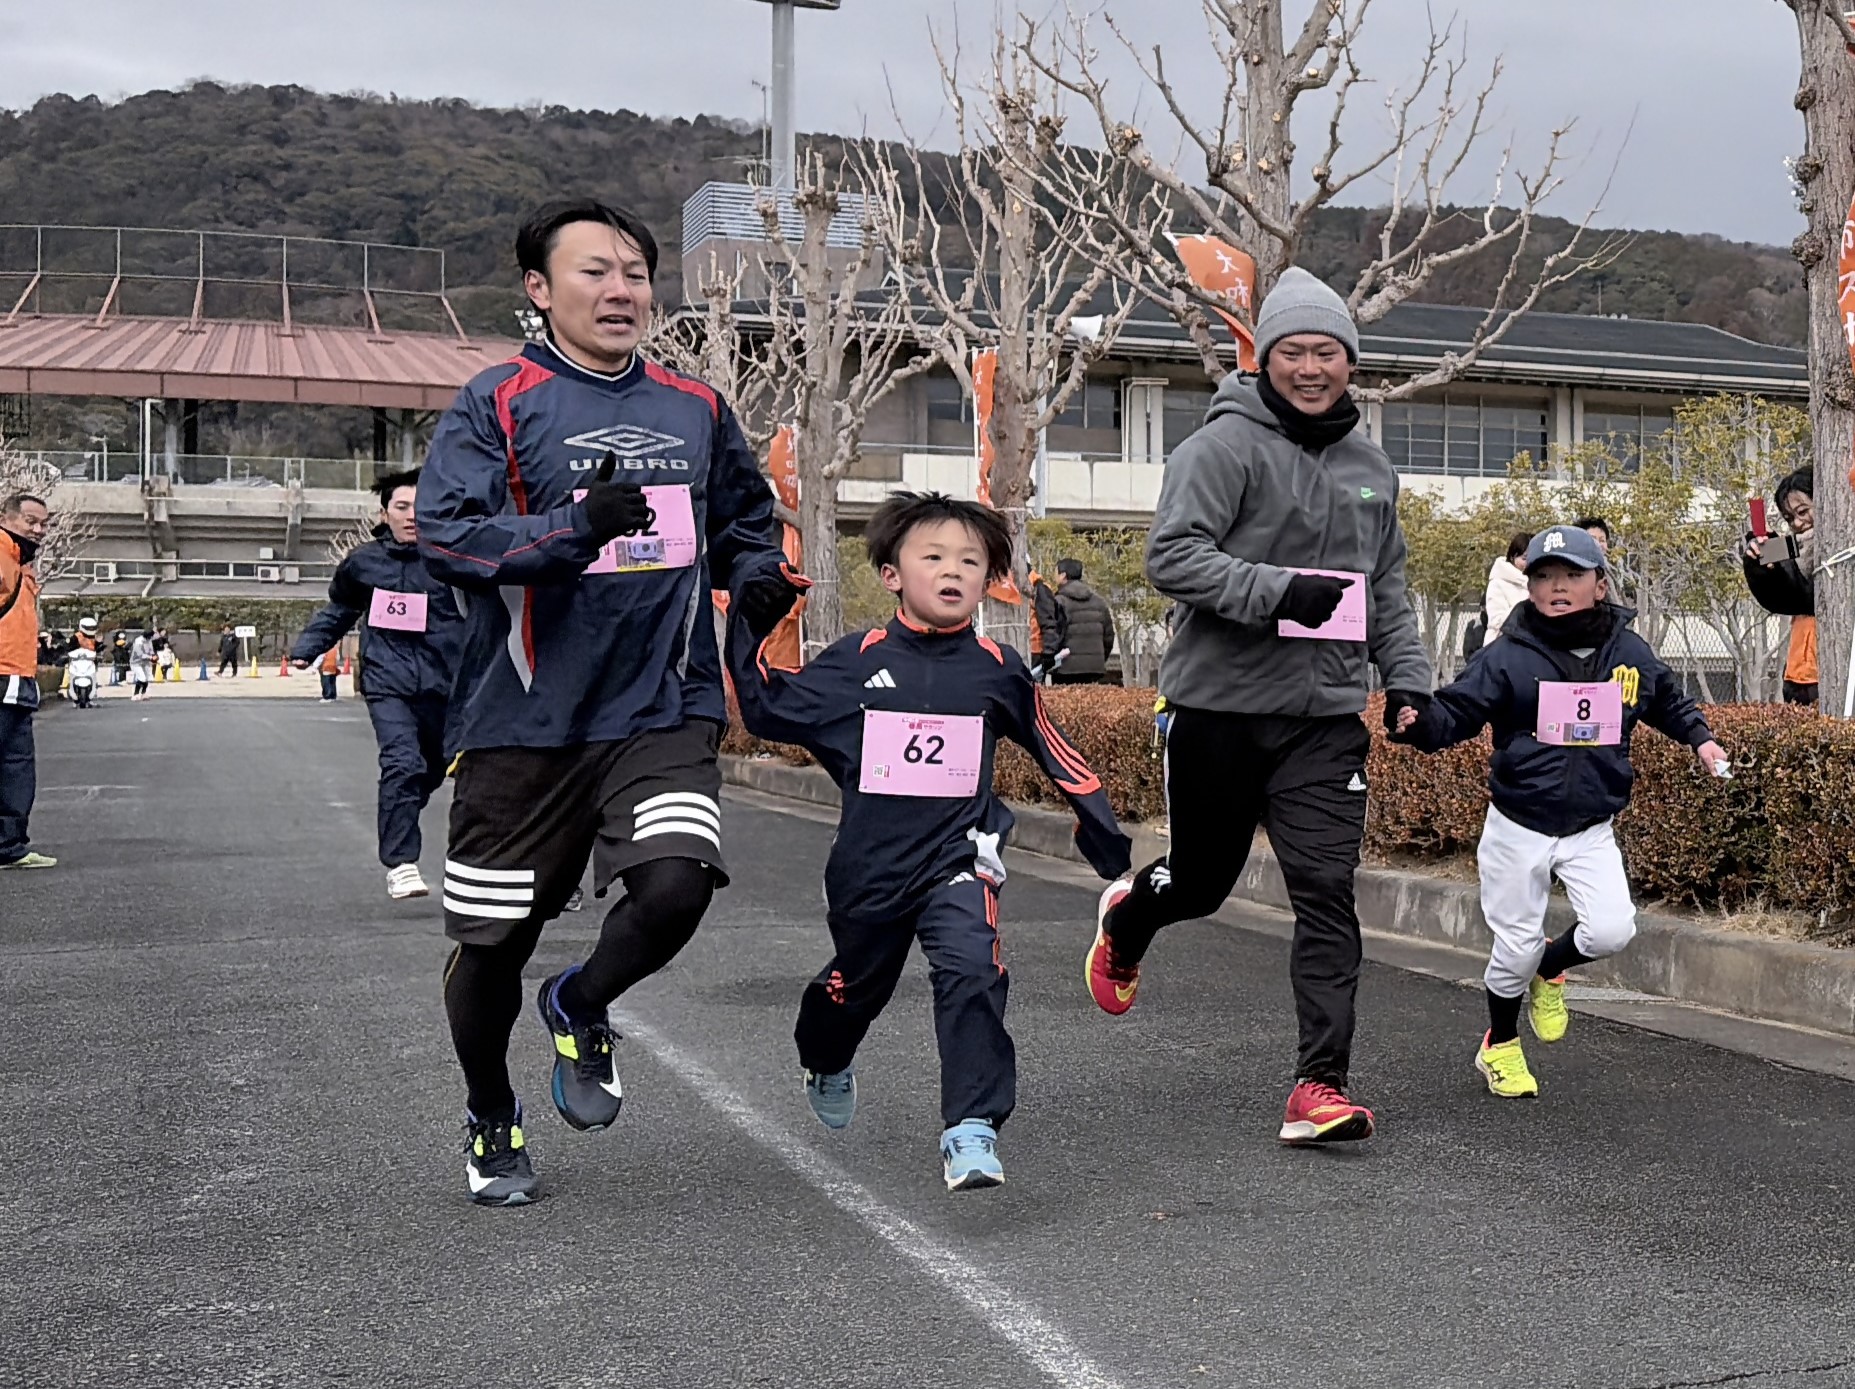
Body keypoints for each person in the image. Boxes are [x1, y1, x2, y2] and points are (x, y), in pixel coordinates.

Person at [417, 198, 804, 1206]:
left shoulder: (696, 405)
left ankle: (580, 1001)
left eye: (634, 270)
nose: (622, 288)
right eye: (595, 271)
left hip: (662, 701)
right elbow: (449, 540)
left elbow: (747, 523)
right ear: (540, 291)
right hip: (525, 718)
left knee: (677, 886)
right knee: (491, 944)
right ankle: (490, 1111)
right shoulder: (495, 402)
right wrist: (573, 529)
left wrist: (757, 577)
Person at [1085, 267, 1433, 1145]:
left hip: (1323, 718)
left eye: (1327, 352)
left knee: (1325, 889)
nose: (1310, 368)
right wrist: (1277, 592)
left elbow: (1384, 587)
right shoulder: (1221, 448)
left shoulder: (1369, 467)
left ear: (1350, 362)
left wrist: (1408, 681)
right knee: (1200, 883)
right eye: (1293, 351)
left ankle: (1319, 1083)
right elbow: (1172, 557)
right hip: (1219, 709)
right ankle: (1130, 917)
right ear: (1266, 356)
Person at [727, 492, 1131, 1190]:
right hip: (869, 868)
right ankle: (825, 1053)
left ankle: (970, 1127)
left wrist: (1101, 832)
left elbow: (1053, 746)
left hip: (960, 854)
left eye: (971, 561)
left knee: (973, 967)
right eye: (934, 557)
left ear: (987, 578)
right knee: (852, 990)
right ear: (891, 574)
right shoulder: (854, 662)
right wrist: (752, 618)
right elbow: (765, 704)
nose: (953, 571)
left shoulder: (996, 666)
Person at [1390, 525, 1727, 1097]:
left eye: (1572, 575)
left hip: (1590, 826)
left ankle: (1553, 965)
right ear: (1529, 587)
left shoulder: (1628, 650)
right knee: (1513, 949)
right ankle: (1500, 1043)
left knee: (1613, 930)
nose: (1557, 587)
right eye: (1544, 576)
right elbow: (1458, 709)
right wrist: (1418, 724)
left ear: (1600, 584)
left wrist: (1700, 738)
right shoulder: (1508, 655)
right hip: (1518, 825)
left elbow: (1666, 699)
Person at [290, 469, 465, 900]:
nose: (411, 516)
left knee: (428, 773)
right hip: (389, 683)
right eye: (401, 507)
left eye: (419, 507)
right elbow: (340, 609)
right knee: (402, 764)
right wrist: (309, 647)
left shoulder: (454, 559)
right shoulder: (364, 563)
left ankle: (404, 818)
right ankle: (401, 863)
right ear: (384, 513)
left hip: (447, 687)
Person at [0, 492, 55, 870]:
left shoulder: (21, 564)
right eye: (30, 521)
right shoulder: (3, 558)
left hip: (18, 679)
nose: (37, 530)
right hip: (2, 674)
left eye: (43, 524)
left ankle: (10, 846)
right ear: (7, 518)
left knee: (17, 767)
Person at [1743, 468, 1816, 706]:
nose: (1797, 523)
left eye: (1803, 511)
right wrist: (1759, 556)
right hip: (1800, 674)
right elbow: (1770, 563)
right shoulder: (1794, 546)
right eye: (1789, 518)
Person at [1051, 558, 1115, 685]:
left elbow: (1053, 635)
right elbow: (1108, 637)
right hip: (1094, 667)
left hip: (1065, 668)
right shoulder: (1099, 602)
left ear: (1063, 576)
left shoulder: (1058, 602)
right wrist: (1099, 657)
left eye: (1055, 572)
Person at [1478, 531, 1532, 650]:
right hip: (1501, 646)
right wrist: (1525, 605)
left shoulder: (1536, 580)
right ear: (1513, 556)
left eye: (1532, 558)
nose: (1528, 563)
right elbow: (1496, 621)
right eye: (1524, 558)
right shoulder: (1498, 582)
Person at [1026, 567, 1068, 681]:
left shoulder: (1039, 589)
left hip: (1035, 652)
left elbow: (1049, 622)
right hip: (1027, 649)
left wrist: (1048, 652)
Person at [64, 617, 100, 710]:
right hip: (77, 661)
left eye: (92, 628)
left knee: (94, 675)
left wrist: (100, 646)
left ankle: (91, 695)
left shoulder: (94, 638)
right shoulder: (75, 637)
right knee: (71, 675)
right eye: (89, 628)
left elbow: (96, 648)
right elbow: (68, 648)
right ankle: (73, 693)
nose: (91, 630)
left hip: (89, 661)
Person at [129, 629, 155, 701]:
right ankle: (135, 694)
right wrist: (150, 657)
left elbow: (151, 650)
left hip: (145, 662)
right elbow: (140, 654)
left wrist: (154, 655)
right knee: (142, 678)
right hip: (136, 662)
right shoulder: (138, 641)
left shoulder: (149, 641)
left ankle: (144, 693)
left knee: (147, 678)